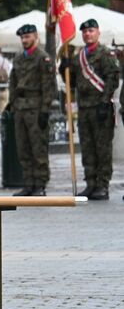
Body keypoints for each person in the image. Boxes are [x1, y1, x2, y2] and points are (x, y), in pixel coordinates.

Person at [59, 18, 119, 200]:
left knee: (102, 148)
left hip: (100, 107)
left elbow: (112, 79)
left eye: (91, 31)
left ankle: (102, 185)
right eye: (84, 32)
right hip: (84, 109)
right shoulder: (79, 57)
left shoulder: (105, 54)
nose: (87, 34)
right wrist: (64, 69)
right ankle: (90, 183)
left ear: (98, 33)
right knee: (87, 147)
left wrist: (104, 101)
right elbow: (73, 81)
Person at [4, 25, 54, 197]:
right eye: (22, 38)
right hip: (20, 108)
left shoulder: (43, 58)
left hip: (36, 106)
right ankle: (29, 183)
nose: (25, 40)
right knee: (23, 148)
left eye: (28, 37)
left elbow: (48, 86)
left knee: (38, 148)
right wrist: (11, 103)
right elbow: (13, 81)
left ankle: (40, 184)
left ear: (35, 36)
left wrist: (45, 109)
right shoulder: (18, 58)